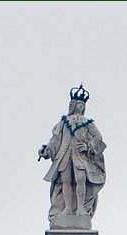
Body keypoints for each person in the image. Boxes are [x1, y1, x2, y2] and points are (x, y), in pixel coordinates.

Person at [38, 84, 106, 226]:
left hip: (80, 156)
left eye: (82, 104)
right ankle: (68, 208)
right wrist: (47, 151)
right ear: (73, 105)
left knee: (81, 179)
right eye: (78, 104)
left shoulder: (88, 123)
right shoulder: (63, 122)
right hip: (64, 155)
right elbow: (55, 139)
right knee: (65, 181)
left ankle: (80, 208)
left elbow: (99, 139)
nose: (80, 106)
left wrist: (88, 146)